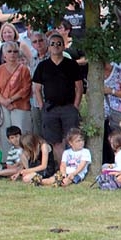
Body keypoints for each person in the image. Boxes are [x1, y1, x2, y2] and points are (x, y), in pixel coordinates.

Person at [32, 31, 83, 164]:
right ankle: (61, 168)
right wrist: (42, 106)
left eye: (59, 43)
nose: (56, 46)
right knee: (55, 141)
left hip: (68, 108)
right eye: (52, 44)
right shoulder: (42, 66)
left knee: (71, 138)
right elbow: (36, 89)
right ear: (48, 47)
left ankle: (72, 167)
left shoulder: (72, 65)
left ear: (64, 46)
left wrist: (75, 106)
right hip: (50, 108)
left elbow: (79, 87)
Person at [0, 41, 33, 149]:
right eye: (9, 51)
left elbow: (26, 88)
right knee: (5, 134)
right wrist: (3, 101)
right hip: (3, 107)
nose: (12, 54)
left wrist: (10, 100)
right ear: (4, 54)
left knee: (22, 133)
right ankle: (7, 160)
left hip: (20, 106)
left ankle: (24, 158)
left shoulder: (24, 70)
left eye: (15, 51)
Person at [102, 60, 121, 160]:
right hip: (100, 115)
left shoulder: (120, 72)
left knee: (117, 140)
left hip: (116, 114)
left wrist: (111, 91)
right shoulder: (95, 72)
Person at [26, 31, 51, 138]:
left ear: (46, 41)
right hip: (36, 101)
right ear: (32, 44)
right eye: (35, 42)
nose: (38, 44)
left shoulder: (53, 57)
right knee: (37, 132)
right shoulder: (32, 59)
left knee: (51, 131)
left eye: (41, 40)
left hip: (50, 100)